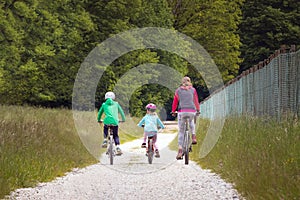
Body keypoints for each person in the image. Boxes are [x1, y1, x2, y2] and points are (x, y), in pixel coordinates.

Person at [171, 76, 200, 160]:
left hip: (182, 112)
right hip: (191, 111)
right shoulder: (193, 90)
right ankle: (193, 136)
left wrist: (173, 111)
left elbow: (175, 102)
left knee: (181, 131)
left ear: (182, 82)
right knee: (191, 122)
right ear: (190, 81)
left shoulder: (178, 90)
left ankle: (180, 150)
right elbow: (196, 101)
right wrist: (197, 110)